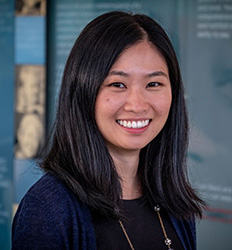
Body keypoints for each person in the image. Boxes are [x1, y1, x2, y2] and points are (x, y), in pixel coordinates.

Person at [12, 11, 204, 250]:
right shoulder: (48, 208)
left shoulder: (174, 202)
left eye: (153, 84)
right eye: (117, 84)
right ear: (83, 93)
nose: (137, 105)